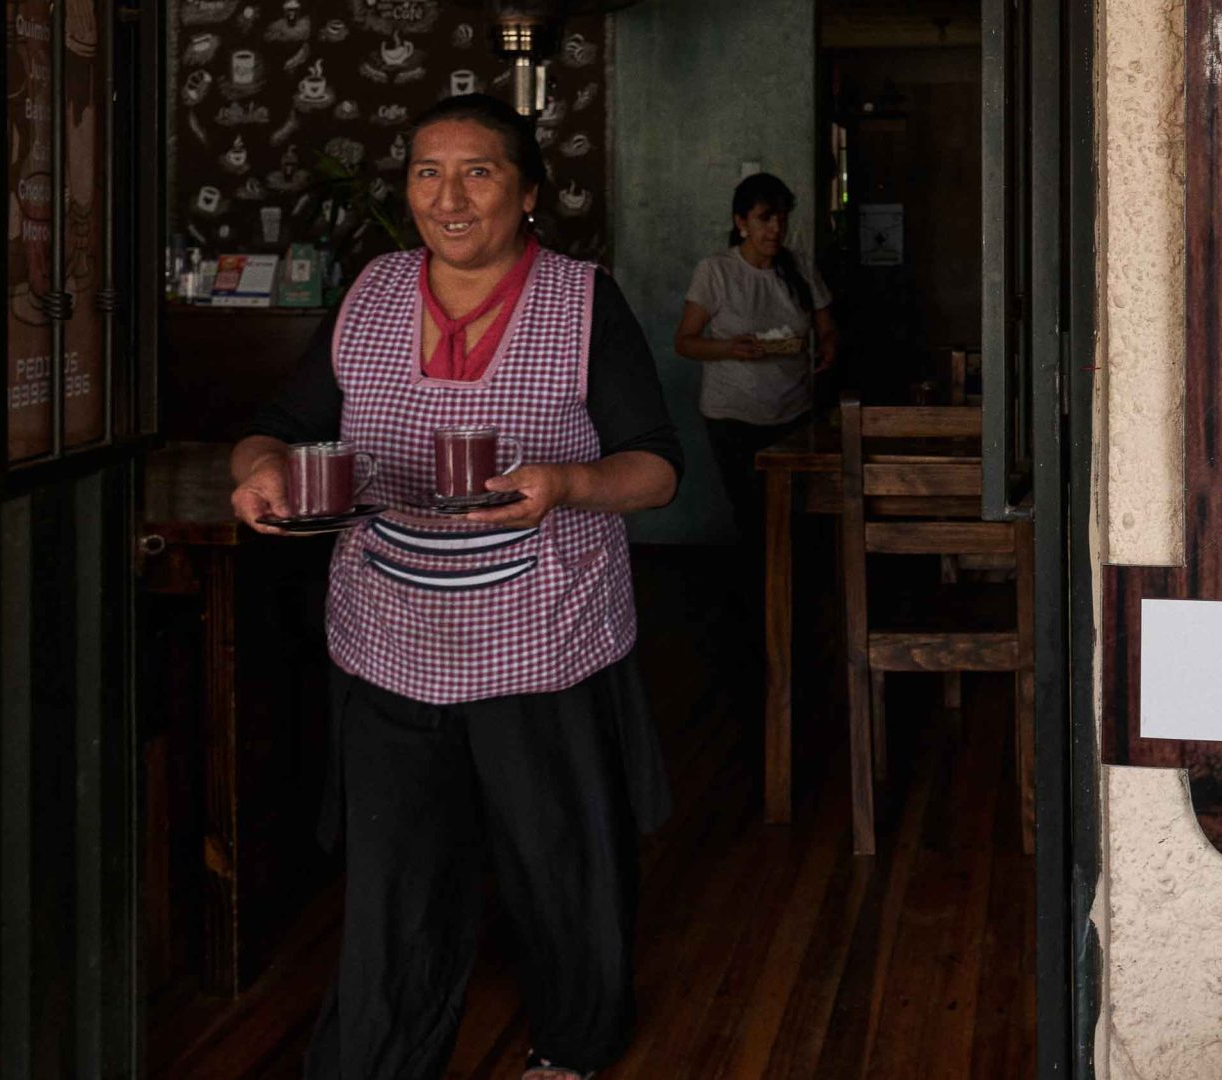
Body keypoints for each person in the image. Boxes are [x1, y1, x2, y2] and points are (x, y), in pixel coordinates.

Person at [228, 93, 680, 1080]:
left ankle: (572, 1045)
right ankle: (379, 1059)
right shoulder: (374, 292)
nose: (449, 194)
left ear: (528, 193)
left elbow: (656, 468)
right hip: (391, 617)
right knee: (398, 873)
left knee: (555, 856)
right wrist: (257, 470)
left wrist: (566, 484)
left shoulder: (581, 299)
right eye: (428, 172)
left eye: (478, 171)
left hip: (539, 623)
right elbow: (278, 421)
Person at [673, 173, 838, 552]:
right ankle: (757, 601)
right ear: (741, 223)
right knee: (752, 515)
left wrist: (828, 347)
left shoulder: (799, 267)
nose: (776, 229)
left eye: (782, 218)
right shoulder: (717, 271)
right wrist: (730, 348)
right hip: (734, 415)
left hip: (794, 411)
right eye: (766, 218)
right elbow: (684, 342)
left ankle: (790, 600)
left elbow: (827, 327)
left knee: (796, 514)